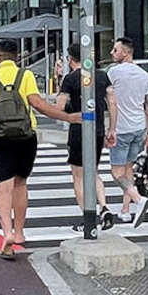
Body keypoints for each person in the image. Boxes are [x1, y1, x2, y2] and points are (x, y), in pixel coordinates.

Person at [0, 39, 75, 260]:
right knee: (21, 183)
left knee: (3, 187)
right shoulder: (26, 76)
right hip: (26, 137)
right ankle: (20, 232)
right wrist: (68, 117)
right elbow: (38, 105)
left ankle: (7, 233)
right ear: (17, 56)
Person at [55, 43, 113, 221]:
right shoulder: (102, 76)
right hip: (98, 129)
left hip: (78, 129)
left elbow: (59, 106)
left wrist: (59, 80)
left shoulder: (70, 79)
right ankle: (103, 206)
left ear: (70, 59)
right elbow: (112, 101)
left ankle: (87, 217)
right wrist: (112, 128)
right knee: (93, 172)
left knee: (78, 175)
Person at [103, 37, 148, 222]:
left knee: (116, 173)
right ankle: (125, 210)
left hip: (122, 128)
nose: (111, 53)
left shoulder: (113, 73)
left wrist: (111, 128)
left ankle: (138, 199)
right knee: (128, 169)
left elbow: (111, 101)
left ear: (125, 52)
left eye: (115, 50)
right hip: (139, 127)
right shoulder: (143, 75)